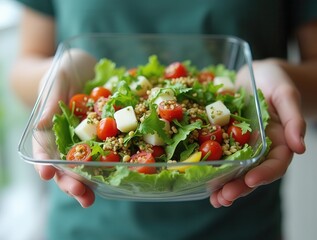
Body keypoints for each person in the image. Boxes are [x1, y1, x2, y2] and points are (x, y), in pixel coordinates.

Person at [10, 0, 317, 239]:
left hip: (239, 225)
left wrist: (277, 79)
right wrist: (56, 75)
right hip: (88, 225)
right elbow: (23, 66)